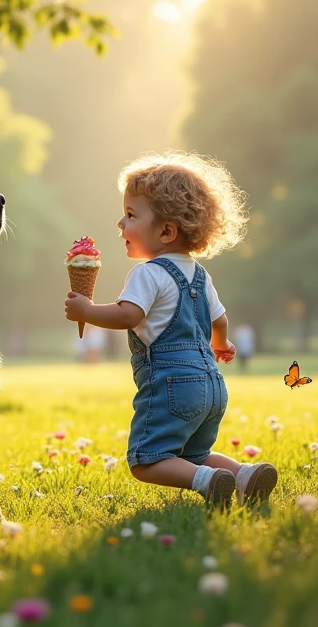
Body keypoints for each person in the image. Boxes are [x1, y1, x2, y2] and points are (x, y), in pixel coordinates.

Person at [64, 150, 278, 509]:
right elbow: (220, 320)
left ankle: (208, 481)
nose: (120, 223)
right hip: (211, 384)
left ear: (165, 231)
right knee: (194, 452)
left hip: (174, 383)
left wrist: (87, 309)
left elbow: (128, 315)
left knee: (146, 459)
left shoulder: (149, 272)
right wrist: (220, 345)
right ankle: (243, 475)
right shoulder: (199, 273)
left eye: (131, 215)